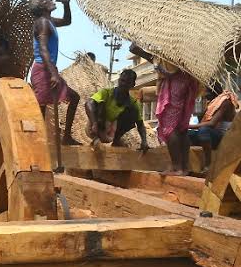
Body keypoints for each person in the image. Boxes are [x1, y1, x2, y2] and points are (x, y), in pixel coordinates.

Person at [131, 44, 200, 175]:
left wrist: (144, 54)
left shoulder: (173, 47)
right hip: (189, 83)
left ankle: (177, 167)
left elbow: (167, 68)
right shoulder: (189, 48)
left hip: (176, 85)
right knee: (181, 129)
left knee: (169, 129)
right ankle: (184, 167)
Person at [28, 0, 81, 145]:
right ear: (42, 7)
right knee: (41, 107)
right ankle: (35, 141)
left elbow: (67, 21)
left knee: (73, 98)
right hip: (43, 69)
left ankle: (66, 137)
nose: (50, 0)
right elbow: (43, 49)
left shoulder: (48, 20)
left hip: (48, 68)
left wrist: (66, 4)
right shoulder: (42, 23)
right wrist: (53, 74)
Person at [85, 69, 149, 151]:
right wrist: (94, 123)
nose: (124, 84)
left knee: (132, 111)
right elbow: (88, 103)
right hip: (94, 128)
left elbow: (140, 124)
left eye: (127, 82)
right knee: (99, 104)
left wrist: (144, 141)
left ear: (132, 84)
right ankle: (96, 139)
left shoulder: (133, 103)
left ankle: (116, 141)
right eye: (122, 80)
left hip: (110, 132)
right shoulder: (106, 92)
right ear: (119, 80)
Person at [189, 85, 238, 172]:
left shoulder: (225, 102)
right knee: (188, 134)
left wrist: (187, 126)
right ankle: (188, 163)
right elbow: (202, 121)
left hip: (224, 138)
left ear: (213, 91)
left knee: (203, 131)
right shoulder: (212, 103)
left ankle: (208, 164)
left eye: (206, 92)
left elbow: (212, 124)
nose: (205, 95)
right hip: (213, 136)